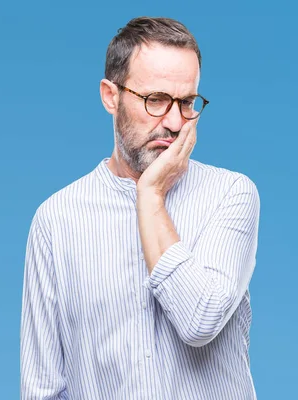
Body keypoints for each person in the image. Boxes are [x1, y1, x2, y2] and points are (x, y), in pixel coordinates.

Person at [20, 17, 260, 399]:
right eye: (156, 100)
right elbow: (44, 387)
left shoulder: (230, 194)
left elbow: (200, 319)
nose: (175, 121)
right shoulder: (57, 221)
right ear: (110, 96)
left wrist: (150, 196)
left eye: (186, 102)